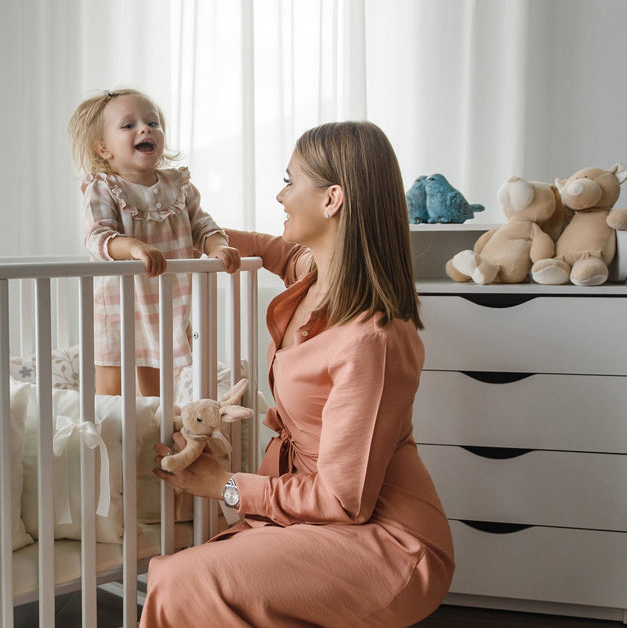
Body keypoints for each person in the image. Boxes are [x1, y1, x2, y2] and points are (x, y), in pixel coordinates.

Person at [141, 121, 455, 627]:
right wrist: (180, 232)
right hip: (314, 517)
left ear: (332, 199)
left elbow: (342, 499)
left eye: (290, 181)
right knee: (186, 579)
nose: (280, 195)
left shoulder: (371, 340)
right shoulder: (312, 271)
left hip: (384, 537)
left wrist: (224, 485)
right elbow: (271, 248)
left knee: (187, 578)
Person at [70, 88, 240, 396]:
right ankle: (112, 441)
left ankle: (151, 438)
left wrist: (217, 247)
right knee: (111, 392)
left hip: (166, 301)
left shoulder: (178, 186)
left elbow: (201, 224)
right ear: (104, 148)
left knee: (157, 393)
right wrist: (133, 247)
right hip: (117, 305)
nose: (145, 128)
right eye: (128, 125)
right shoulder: (103, 187)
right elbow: (98, 237)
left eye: (153, 122)